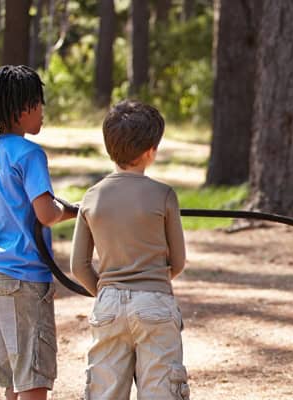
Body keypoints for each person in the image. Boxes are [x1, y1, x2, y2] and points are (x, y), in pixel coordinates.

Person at [70, 100, 189, 399]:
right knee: (161, 390)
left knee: (105, 391)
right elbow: (178, 261)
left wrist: (109, 290)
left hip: (108, 304)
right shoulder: (164, 195)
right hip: (154, 303)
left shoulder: (91, 197)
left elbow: (78, 266)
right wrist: (151, 281)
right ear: (151, 151)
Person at [0, 65, 78, 400]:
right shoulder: (29, 154)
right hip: (25, 278)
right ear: (22, 109)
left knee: (11, 378)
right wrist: (75, 212)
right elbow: (46, 213)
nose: (43, 111)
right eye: (39, 104)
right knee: (33, 377)